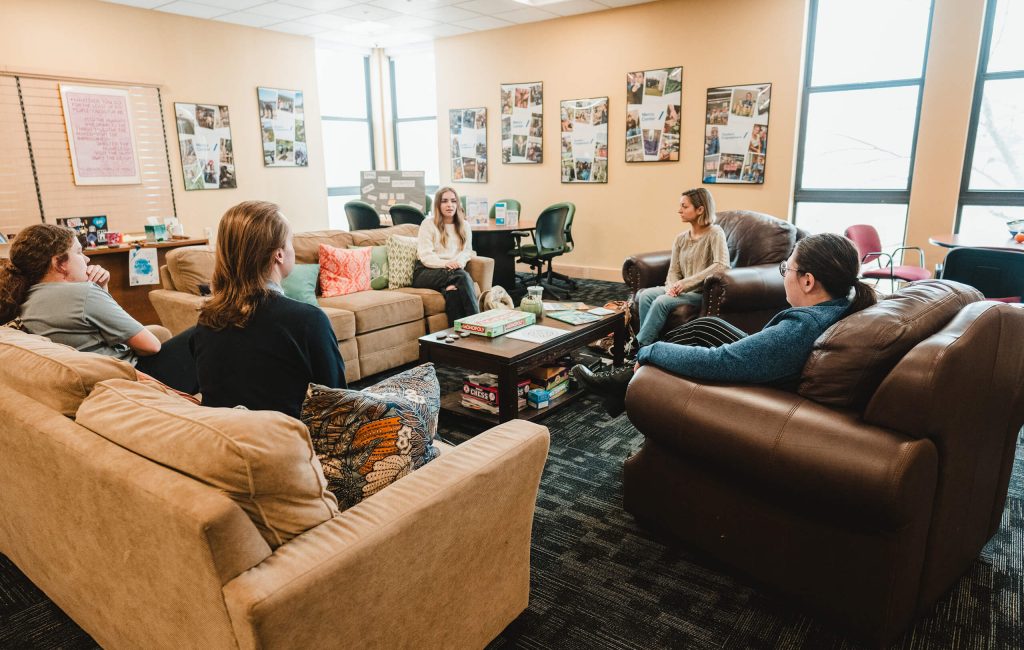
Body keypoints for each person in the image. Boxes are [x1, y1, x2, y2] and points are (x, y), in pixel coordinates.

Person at [574, 233, 877, 416]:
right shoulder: (841, 303)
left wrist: (649, 351)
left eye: (787, 267)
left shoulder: (800, 329)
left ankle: (621, 384)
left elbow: (721, 362)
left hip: (764, 389)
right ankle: (621, 387)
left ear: (808, 281)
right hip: (772, 367)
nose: (784, 273)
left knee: (671, 349)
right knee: (706, 326)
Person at [0, 223, 199, 393]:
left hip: (101, 383)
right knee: (205, 331)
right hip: (134, 378)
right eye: (79, 252)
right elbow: (151, 346)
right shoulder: (82, 293)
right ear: (59, 263)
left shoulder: (24, 297)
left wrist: (102, 289)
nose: (87, 259)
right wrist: (96, 291)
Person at [192, 201, 346, 418]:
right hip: (289, 436)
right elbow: (339, 405)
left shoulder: (206, 321)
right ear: (279, 254)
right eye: (291, 242)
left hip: (224, 435)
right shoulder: (308, 321)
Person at [633, 188, 730, 349]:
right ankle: (652, 345)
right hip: (680, 290)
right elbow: (674, 270)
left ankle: (640, 347)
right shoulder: (680, 238)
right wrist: (671, 288)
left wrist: (685, 284)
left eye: (684, 206)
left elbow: (722, 265)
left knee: (661, 302)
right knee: (645, 295)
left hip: (700, 293)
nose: (679, 210)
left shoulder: (715, 233)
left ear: (700, 209)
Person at [412, 187, 479, 326]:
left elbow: (467, 251)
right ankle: (477, 323)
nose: (450, 205)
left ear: (458, 204)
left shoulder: (465, 226)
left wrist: (458, 263)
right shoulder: (428, 224)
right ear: (438, 204)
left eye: (453, 201)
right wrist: (447, 264)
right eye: (444, 201)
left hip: (451, 271)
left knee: (453, 292)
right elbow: (425, 256)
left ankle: (458, 334)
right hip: (425, 271)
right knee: (461, 276)